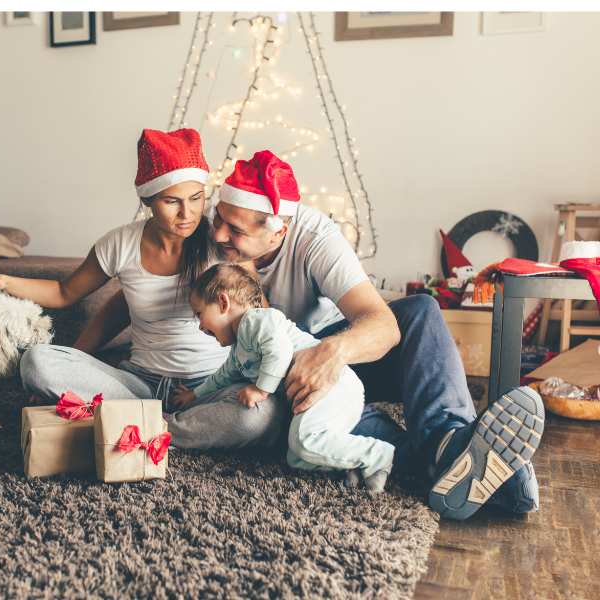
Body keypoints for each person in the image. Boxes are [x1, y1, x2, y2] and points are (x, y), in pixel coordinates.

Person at [93, 149, 545, 520]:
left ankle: (449, 438)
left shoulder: (314, 238)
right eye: (218, 219)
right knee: (318, 428)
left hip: (329, 349)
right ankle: (469, 466)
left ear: (279, 231)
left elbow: (382, 325)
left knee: (421, 311)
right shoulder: (204, 234)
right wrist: (78, 349)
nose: (217, 233)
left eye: (233, 229)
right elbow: (135, 291)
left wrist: (333, 353)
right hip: (273, 379)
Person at [0, 128, 283, 449]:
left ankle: (148, 426)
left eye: (196, 198)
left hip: (211, 384)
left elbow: (263, 320)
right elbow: (64, 292)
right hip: (137, 384)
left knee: (259, 415)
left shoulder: (222, 245)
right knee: (37, 362)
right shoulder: (120, 243)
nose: (187, 214)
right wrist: (2, 282)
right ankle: (172, 428)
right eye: (171, 201)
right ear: (147, 199)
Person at [173, 262, 395, 493]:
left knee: (304, 441)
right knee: (296, 457)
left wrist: (261, 390)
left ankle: (378, 454)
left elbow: (278, 352)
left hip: (333, 386)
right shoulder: (239, 350)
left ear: (222, 302)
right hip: (315, 397)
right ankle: (352, 463)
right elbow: (222, 377)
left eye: (199, 314)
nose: (200, 326)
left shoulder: (257, 321)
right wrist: (194, 394)